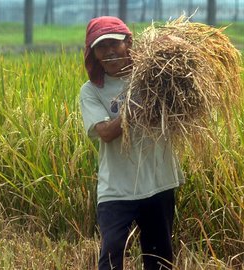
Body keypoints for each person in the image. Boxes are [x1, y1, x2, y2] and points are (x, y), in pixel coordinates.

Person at [79, 16, 185, 270]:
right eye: (101, 47)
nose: (109, 52)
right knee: (111, 255)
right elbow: (105, 132)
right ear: (93, 53)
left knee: (159, 260)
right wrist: (134, 108)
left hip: (158, 182)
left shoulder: (155, 76)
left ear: (128, 43)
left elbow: (180, 109)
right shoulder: (91, 91)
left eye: (114, 44)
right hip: (116, 188)